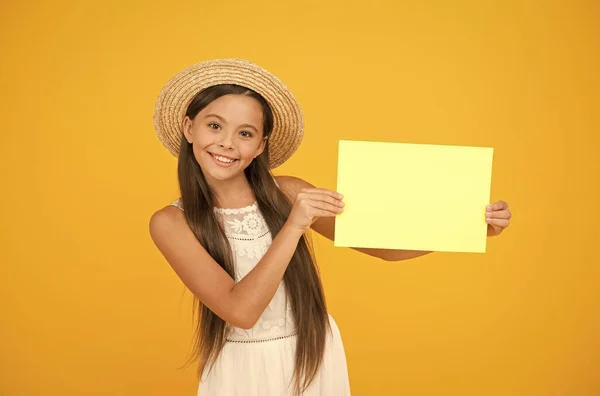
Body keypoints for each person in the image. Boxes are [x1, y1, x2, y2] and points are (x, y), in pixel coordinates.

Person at [148, 59, 512, 396]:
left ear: (260, 146)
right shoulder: (171, 222)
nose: (227, 143)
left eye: (245, 133)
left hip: (313, 353)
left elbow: (385, 248)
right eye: (214, 125)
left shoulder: (288, 191)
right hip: (243, 368)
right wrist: (293, 226)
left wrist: (471, 225)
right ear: (189, 127)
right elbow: (241, 313)